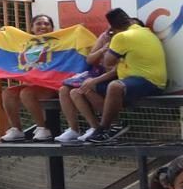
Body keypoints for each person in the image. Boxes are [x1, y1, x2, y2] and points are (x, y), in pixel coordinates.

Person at [62, 8, 166, 144]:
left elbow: (108, 62)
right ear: (128, 20)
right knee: (88, 87)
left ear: (113, 28)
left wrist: (111, 43)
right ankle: (112, 124)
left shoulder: (121, 37)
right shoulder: (146, 31)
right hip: (137, 80)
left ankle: (104, 129)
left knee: (115, 86)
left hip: (149, 82)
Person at [0, 14, 62, 141]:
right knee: (8, 93)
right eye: (39, 24)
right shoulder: (25, 45)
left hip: (53, 85)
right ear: (32, 28)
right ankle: (17, 130)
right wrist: (4, 35)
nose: (43, 26)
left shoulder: (59, 42)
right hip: (36, 85)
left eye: (47, 24)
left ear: (52, 28)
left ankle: (43, 129)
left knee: (27, 93)